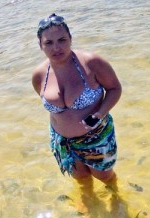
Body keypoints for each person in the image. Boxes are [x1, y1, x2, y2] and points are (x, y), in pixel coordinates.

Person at [32, 13, 122, 201]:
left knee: (104, 176)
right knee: (80, 177)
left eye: (62, 40)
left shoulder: (92, 63)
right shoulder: (39, 75)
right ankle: (89, 206)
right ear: (40, 45)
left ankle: (118, 200)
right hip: (63, 141)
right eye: (49, 43)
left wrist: (99, 114)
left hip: (96, 136)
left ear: (71, 39)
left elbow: (115, 89)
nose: (56, 47)